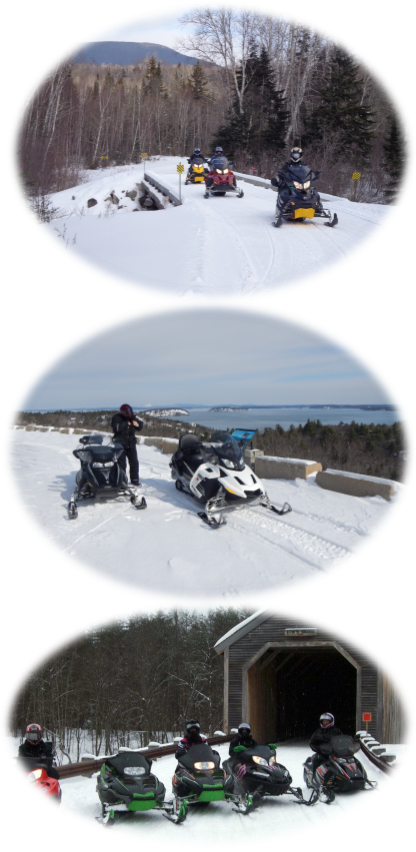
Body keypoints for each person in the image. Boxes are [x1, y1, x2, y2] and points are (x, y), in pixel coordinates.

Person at [111, 404, 144, 486]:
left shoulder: (132, 417)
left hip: (131, 444)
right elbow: (116, 428)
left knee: (134, 462)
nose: (129, 413)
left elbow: (140, 425)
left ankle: (135, 480)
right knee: (122, 464)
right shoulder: (117, 417)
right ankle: (122, 481)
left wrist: (138, 424)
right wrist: (127, 423)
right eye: (127, 412)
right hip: (120, 445)